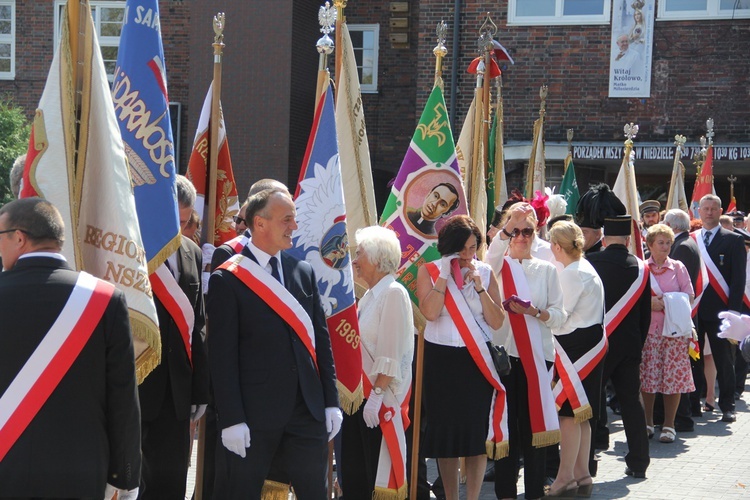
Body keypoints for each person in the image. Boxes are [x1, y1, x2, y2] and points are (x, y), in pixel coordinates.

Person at [0, 198, 141, 498]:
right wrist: (126, 475)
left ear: (20, 238)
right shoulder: (106, 299)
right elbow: (123, 397)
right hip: (81, 470)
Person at [207, 188, 341, 499]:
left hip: (306, 410)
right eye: (287, 219)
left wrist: (331, 401)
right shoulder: (228, 278)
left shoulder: (302, 272)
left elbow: (321, 340)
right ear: (260, 223)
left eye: (294, 219)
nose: (294, 226)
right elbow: (221, 356)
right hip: (253, 415)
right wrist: (231, 419)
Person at [416, 215, 506, 500]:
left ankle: (473, 497)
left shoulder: (487, 272)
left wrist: (479, 287)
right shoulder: (428, 271)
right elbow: (429, 313)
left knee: (474, 436)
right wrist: (444, 275)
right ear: (448, 247)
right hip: (441, 362)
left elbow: (497, 321)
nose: (468, 255)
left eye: (473, 247)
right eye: (463, 249)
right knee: (446, 436)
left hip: (475, 362)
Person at [485, 203, 566, 500]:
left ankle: (534, 492)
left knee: (535, 429)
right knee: (509, 427)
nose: (521, 236)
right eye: (515, 231)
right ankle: (505, 493)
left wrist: (536, 312)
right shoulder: (497, 266)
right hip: (505, 358)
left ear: (536, 234)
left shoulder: (546, 270)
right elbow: (491, 256)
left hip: (537, 357)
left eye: (527, 231)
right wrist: (508, 226)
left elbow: (560, 316)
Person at [137, 175, 209, 499]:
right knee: (129, 484)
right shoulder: (131, 248)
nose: (177, 230)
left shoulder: (192, 252)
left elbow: (200, 324)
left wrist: (200, 390)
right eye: (173, 220)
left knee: (171, 483)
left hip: (177, 392)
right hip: (135, 385)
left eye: (185, 221)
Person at [341, 226, 414, 498]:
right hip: (359, 396)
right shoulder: (370, 296)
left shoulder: (394, 293)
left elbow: (389, 352)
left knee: (374, 476)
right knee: (354, 473)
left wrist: (377, 395)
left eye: (359, 254)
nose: (355, 260)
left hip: (380, 400)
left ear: (377, 257)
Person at [587, 215, 651, 479]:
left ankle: (587, 464)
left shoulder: (590, 263)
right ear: (628, 241)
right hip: (628, 346)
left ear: (603, 239)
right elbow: (645, 315)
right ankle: (638, 462)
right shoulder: (640, 267)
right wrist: (637, 344)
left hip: (595, 345)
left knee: (589, 405)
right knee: (631, 404)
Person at [547, 221, 606, 498]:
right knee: (581, 413)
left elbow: (561, 314)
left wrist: (538, 315)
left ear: (557, 246)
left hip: (575, 345)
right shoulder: (586, 266)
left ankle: (565, 477)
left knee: (569, 415)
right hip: (590, 342)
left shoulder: (571, 273)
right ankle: (582, 473)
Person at [640, 224, 695, 444]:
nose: (665, 247)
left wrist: (667, 303)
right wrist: (647, 303)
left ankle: (669, 425)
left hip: (673, 333)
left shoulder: (679, 267)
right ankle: (647, 422)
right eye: (660, 243)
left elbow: (689, 296)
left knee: (672, 379)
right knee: (648, 379)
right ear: (650, 245)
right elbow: (633, 298)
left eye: (668, 242)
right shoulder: (642, 268)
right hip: (650, 333)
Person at [695, 194, 747, 423]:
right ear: (699, 211)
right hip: (696, 311)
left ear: (720, 211)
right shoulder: (691, 239)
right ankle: (693, 404)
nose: (708, 212)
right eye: (704, 208)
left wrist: (733, 313)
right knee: (694, 360)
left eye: (713, 209)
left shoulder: (734, 240)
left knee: (724, 360)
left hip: (722, 312)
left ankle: (727, 405)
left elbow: (738, 281)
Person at [661, 208, 701, 431]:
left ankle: (682, 418)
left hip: (675, 319)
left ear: (672, 226)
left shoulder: (683, 247)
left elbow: (679, 287)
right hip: (674, 318)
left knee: (677, 374)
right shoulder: (686, 242)